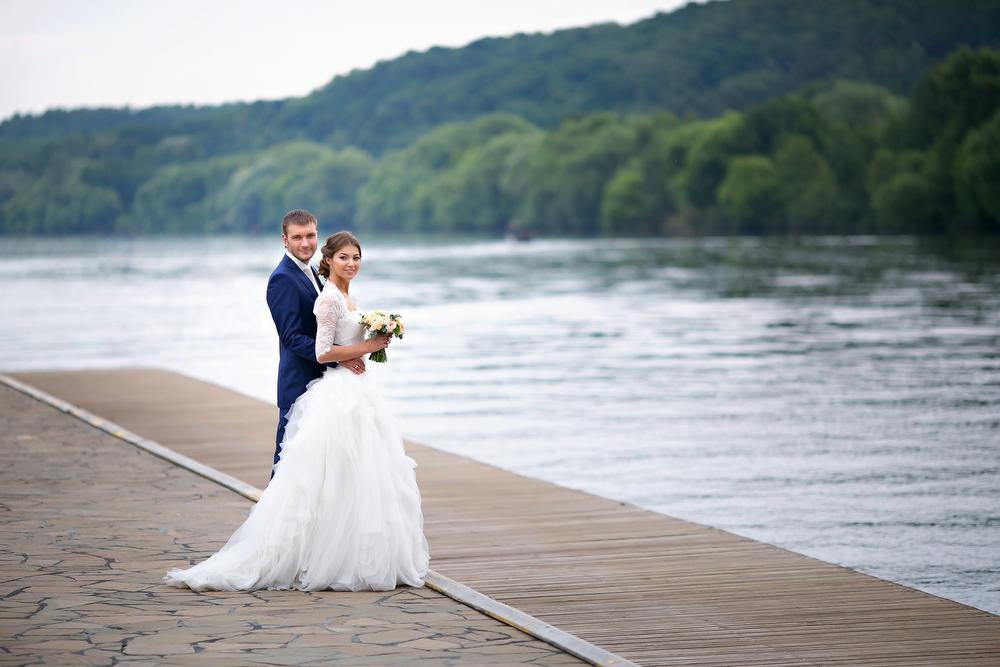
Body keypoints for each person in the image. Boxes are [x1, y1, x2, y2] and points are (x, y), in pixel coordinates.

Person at [164, 230, 429, 591]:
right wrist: (361, 348)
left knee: (348, 475)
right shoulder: (289, 282)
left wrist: (364, 348)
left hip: (348, 388)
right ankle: (284, 551)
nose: (350, 264)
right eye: (344, 257)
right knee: (299, 476)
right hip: (315, 385)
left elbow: (335, 337)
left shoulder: (322, 282)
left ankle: (345, 551)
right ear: (287, 240)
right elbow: (302, 341)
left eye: (356, 258)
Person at [263, 209, 367, 478]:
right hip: (299, 384)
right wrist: (339, 356)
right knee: (287, 467)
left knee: (318, 468)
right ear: (284, 240)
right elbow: (292, 337)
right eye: (297, 237)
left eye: (310, 235)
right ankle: (275, 520)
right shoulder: (282, 278)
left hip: (325, 386)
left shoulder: (312, 274)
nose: (305, 243)